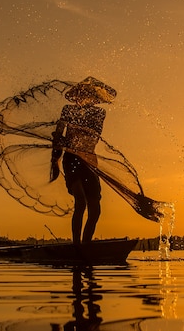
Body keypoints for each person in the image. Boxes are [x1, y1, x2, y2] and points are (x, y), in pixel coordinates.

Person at [50, 77, 117, 244]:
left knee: (95, 210)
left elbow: (92, 135)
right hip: (71, 159)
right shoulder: (67, 110)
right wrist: (55, 161)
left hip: (89, 161)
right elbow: (58, 136)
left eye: (87, 94)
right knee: (80, 201)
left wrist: (68, 139)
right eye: (81, 94)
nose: (83, 97)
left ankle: (86, 243)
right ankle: (76, 244)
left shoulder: (99, 113)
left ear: (93, 97)